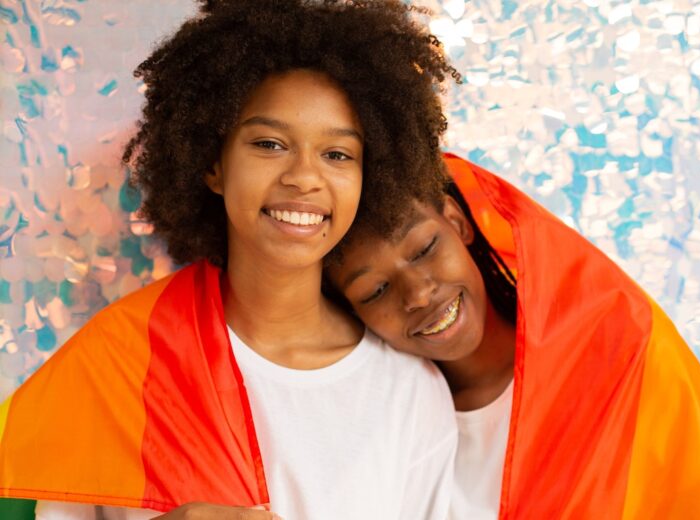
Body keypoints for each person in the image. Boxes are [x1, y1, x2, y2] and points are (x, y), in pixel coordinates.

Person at [0, 1, 460, 519]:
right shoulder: (121, 364)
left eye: (338, 154)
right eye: (269, 143)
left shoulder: (407, 393)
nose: (304, 177)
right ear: (214, 166)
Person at [325, 153, 700, 519]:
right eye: (375, 290)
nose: (419, 293)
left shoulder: (619, 354)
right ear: (350, 311)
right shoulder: (378, 427)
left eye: (424, 249)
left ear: (457, 222)